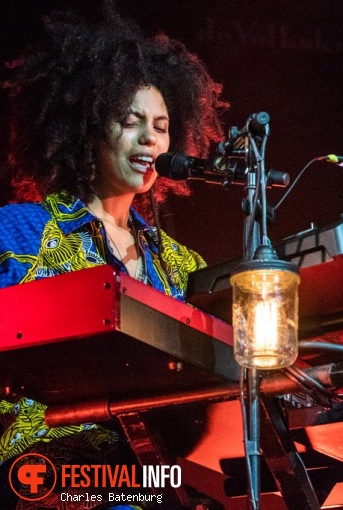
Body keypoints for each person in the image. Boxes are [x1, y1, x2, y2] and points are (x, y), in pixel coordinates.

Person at [0, 3, 226, 508]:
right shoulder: (17, 232)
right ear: (86, 128)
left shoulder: (184, 264)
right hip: (38, 480)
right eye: (130, 121)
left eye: (162, 125)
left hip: (152, 483)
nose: (151, 137)